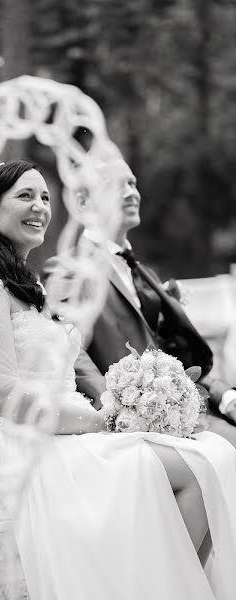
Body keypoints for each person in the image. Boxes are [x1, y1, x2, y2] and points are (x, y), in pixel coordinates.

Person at [0, 159, 236, 600]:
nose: (39, 207)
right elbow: (1, 392)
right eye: (24, 196)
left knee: (218, 457)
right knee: (199, 472)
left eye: (44, 197)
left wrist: (109, 413)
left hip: (76, 427)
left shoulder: (26, 286)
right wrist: (99, 421)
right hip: (34, 447)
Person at [61, 158, 236, 447]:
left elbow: (173, 357)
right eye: (117, 185)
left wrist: (224, 394)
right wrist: (116, 408)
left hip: (186, 407)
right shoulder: (73, 268)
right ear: (85, 201)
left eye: (132, 183)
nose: (131, 192)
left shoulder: (144, 274)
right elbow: (69, 350)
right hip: (134, 423)